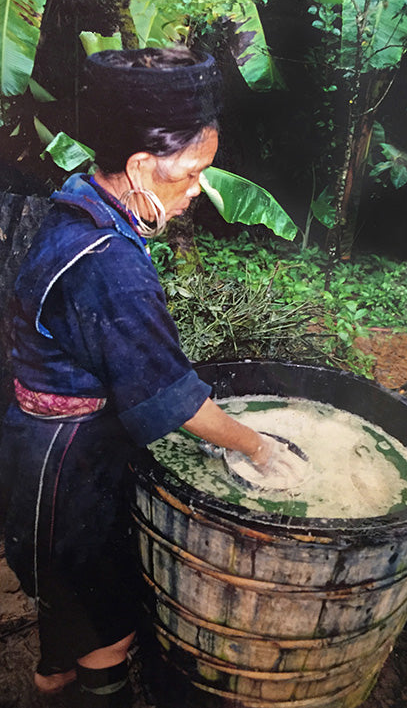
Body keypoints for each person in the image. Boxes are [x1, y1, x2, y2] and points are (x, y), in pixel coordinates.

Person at [0, 48, 305, 708]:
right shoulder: (111, 263)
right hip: (68, 474)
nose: (199, 187)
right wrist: (257, 445)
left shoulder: (79, 200)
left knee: (64, 603)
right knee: (109, 626)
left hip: (31, 450)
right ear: (141, 166)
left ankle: (49, 681)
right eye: (193, 171)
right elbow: (176, 399)